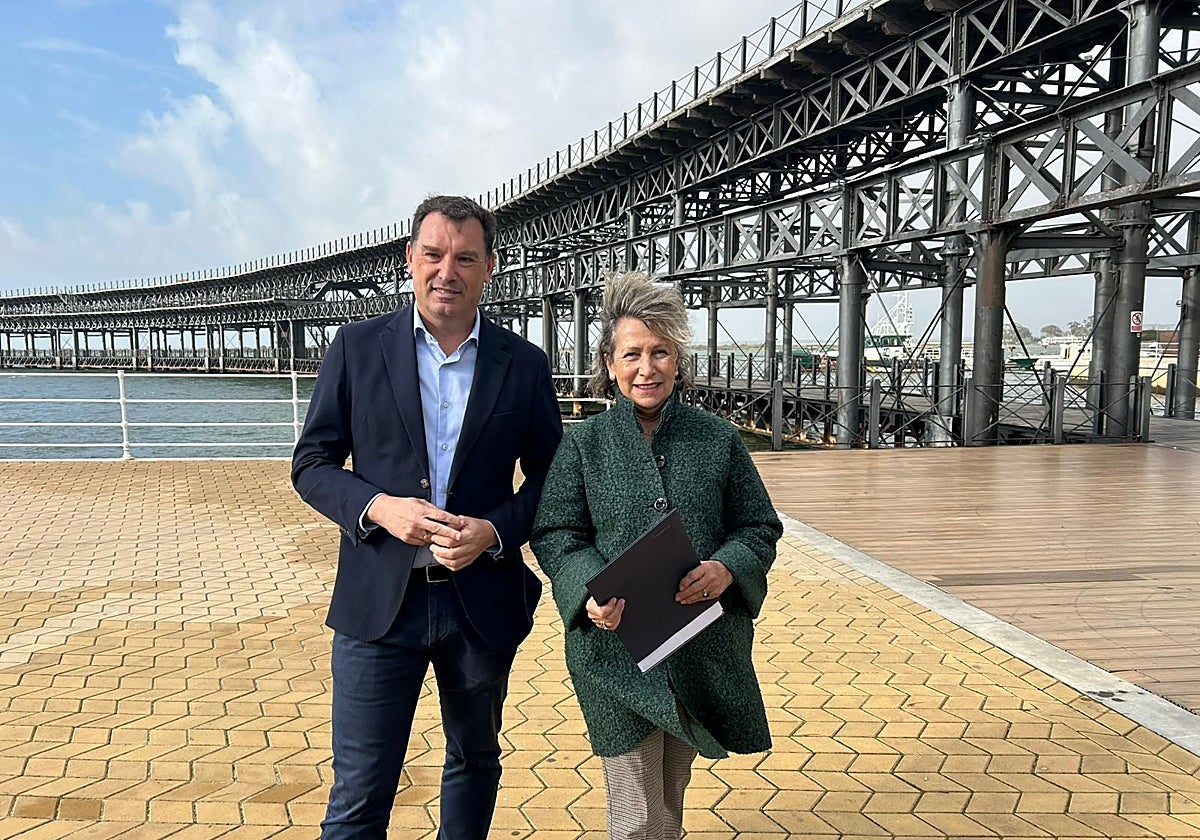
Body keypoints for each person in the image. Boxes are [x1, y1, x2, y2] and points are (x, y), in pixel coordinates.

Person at [292, 195, 563, 840]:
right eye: (435, 254)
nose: (448, 272)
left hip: (479, 602)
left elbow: (554, 481)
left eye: (466, 258)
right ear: (409, 259)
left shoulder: (523, 363)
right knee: (359, 794)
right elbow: (312, 464)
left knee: (474, 762)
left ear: (490, 267)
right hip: (378, 604)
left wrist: (494, 531)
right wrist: (378, 507)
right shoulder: (357, 347)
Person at [531, 271, 782, 840]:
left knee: (669, 789)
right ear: (610, 364)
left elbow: (758, 525)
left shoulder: (717, 438)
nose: (646, 368)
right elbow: (556, 532)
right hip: (613, 651)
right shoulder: (584, 443)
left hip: (697, 644)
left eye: (660, 352)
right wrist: (588, 589)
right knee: (638, 811)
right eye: (632, 354)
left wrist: (727, 568)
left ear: (678, 360)